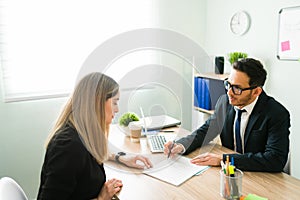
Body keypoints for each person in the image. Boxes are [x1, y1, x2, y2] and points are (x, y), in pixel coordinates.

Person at [37, 72, 153, 200]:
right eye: (114, 102)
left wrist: (120, 158)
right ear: (97, 103)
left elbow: (87, 158)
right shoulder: (68, 146)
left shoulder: (81, 135)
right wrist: (101, 198)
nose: (117, 109)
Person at [164, 58, 290, 172]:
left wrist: (224, 159)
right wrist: (181, 145)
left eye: (237, 88)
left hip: (261, 177)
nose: (229, 92)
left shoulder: (276, 114)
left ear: (256, 92)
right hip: (228, 174)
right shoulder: (225, 102)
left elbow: (275, 160)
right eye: (228, 84)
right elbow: (206, 130)